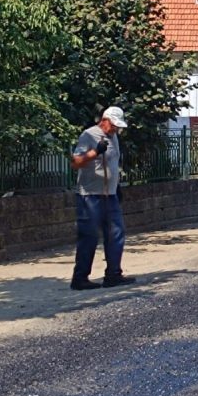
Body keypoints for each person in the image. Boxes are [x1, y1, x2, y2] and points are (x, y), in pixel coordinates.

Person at [68, 106, 136, 290]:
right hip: (90, 196)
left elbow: (113, 164)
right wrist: (95, 152)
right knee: (89, 237)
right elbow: (75, 163)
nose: (115, 129)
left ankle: (113, 275)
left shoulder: (114, 137)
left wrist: (117, 187)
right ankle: (80, 278)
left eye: (117, 127)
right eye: (113, 125)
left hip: (110, 195)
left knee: (116, 234)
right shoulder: (88, 135)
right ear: (104, 120)